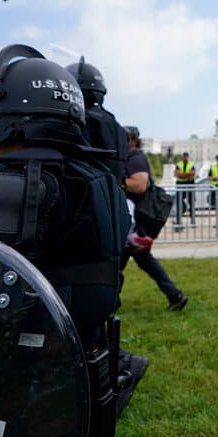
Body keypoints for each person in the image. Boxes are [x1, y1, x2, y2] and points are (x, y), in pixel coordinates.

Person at [0, 44, 131, 437]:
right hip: (81, 361)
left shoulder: (12, 183)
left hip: (19, 374)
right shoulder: (92, 177)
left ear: (8, 118)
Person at [67, 57, 149, 414]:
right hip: (112, 209)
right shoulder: (115, 125)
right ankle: (109, 368)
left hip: (84, 209)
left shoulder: (79, 122)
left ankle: (107, 378)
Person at [124, 126, 189, 310]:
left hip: (136, 220)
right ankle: (175, 295)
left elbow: (140, 185)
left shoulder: (136, 159)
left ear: (133, 140)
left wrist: (117, 182)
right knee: (143, 260)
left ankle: (109, 304)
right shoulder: (132, 158)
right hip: (135, 220)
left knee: (116, 262)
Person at [174, 150, 197, 229]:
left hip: (190, 185)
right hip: (181, 185)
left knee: (192, 204)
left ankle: (193, 221)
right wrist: (187, 175)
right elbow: (177, 174)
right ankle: (178, 221)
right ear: (182, 156)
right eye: (184, 156)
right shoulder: (179, 164)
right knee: (179, 203)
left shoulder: (191, 164)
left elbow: (193, 174)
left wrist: (182, 175)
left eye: (186, 156)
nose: (185, 157)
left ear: (188, 157)